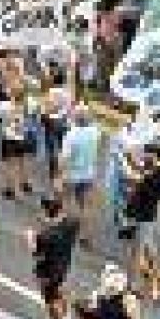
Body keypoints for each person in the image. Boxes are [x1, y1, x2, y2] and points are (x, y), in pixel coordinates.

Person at [122, 147, 160, 289]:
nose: (144, 156)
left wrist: (135, 181)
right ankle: (157, 273)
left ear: (156, 155)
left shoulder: (157, 175)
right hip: (146, 216)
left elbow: (142, 186)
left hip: (143, 217)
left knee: (137, 252)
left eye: (148, 153)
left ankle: (132, 284)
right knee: (148, 246)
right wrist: (130, 159)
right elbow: (141, 173)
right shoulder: (155, 170)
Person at [28, 195, 79, 317]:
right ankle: (64, 309)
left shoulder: (46, 236)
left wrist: (31, 238)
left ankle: (55, 317)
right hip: (63, 265)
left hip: (47, 271)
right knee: (56, 290)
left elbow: (36, 254)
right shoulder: (72, 224)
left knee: (48, 296)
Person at [59, 105, 101, 246]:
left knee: (68, 203)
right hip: (88, 174)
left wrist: (60, 176)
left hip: (72, 174)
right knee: (86, 207)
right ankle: (86, 236)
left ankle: (66, 230)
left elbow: (64, 159)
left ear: (75, 118)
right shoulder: (95, 132)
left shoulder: (71, 135)